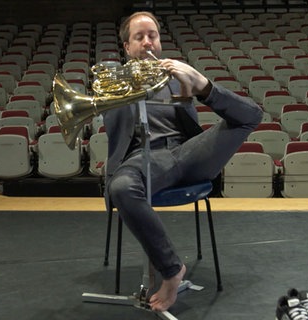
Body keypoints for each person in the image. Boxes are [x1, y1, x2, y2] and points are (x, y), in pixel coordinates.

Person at [103, 11, 264, 312]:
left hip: (187, 151)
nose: (148, 42)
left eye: (153, 35)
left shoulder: (176, 79)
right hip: (141, 159)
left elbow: (241, 117)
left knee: (249, 116)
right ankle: (172, 269)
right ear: (127, 47)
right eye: (139, 37)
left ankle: (168, 271)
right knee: (122, 188)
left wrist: (198, 84)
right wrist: (131, 84)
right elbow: (114, 121)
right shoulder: (113, 81)